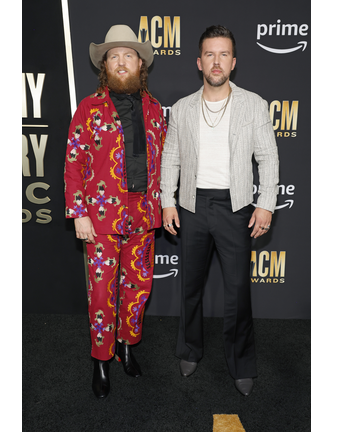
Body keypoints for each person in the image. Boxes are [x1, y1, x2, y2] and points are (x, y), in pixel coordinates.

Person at [160, 25, 280, 396]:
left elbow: (268, 157)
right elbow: (172, 157)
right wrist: (167, 200)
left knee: (238, 292)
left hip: (236, 207)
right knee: (190, 288)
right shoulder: (181, 109)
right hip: (192, 206)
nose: (216, 61)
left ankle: (242, 364)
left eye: (223, 54)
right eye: (209, 54)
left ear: (234, 62)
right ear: (199, 62)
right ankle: (190, 349)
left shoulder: (254, 105)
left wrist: (266, 204)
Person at [64, 24, 166, 399]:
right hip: (101, 219)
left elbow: (164, 162)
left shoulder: (155, 111)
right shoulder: (89, 108)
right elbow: (74, 161)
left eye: (128, 55)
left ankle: (127, 347)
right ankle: (101, 360)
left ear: (141, 64)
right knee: (103, 292)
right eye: (114, 56)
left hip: (143, 217)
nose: (121, 62)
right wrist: (79, 212)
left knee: (137, 290)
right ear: (104, 66)